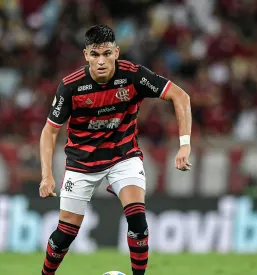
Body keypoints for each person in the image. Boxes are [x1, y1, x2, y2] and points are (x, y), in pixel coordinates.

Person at [39, 25, 192, 275]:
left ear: (117, 53)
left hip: (123, 156)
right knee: (65, 234)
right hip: (81, 162)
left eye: (107, 54)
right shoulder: (71, 86)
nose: (101, 61)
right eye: (95, 55)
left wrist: (184, 144)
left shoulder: (133, 76)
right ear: (86, 55)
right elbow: (50, 131)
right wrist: (47, 175)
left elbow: (181, 96)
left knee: (138, 221)